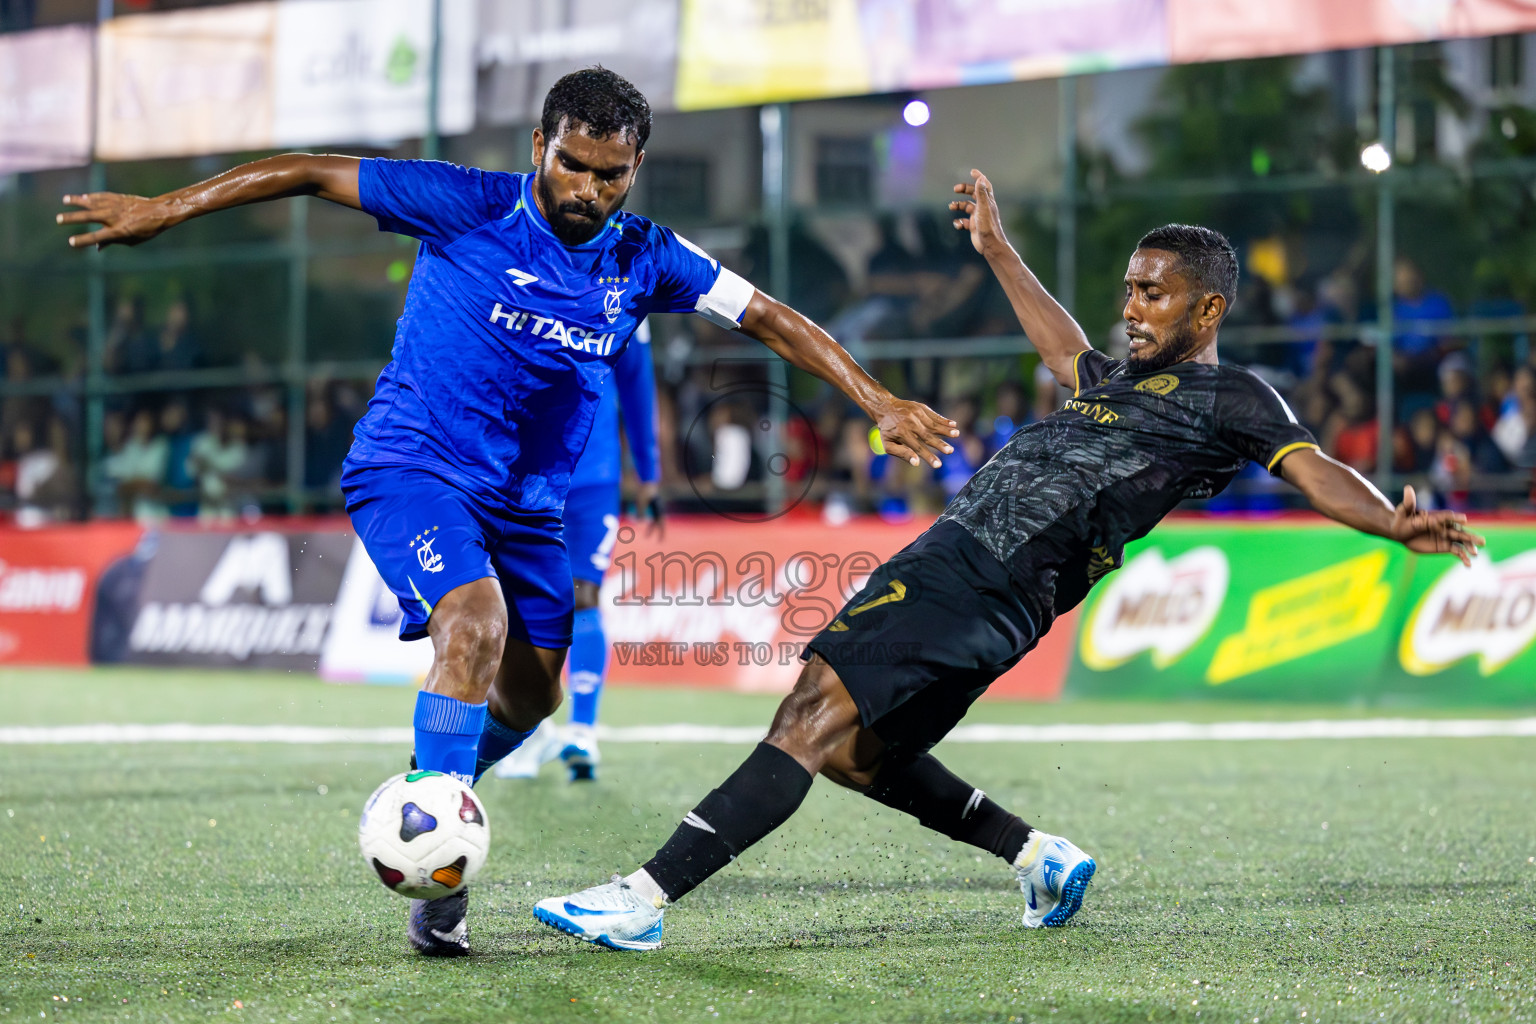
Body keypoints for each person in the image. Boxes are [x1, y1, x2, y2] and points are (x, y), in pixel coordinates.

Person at [59, 67, 956, 958]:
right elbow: (304, 168)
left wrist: (876, 399)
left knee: (532, 697)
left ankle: (435, 791)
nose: (589, 190)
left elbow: (766, 315)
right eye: (573, 165)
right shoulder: (463, 203)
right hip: (413, 468)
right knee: (472, 624)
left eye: (612, 175)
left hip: (531, 512)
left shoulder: (644, 255)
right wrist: (167, 209)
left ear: (634, 169)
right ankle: (440, 870)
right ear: (541, 146)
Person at [532, 170, 1485, 952]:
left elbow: (1313, 469)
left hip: (993, 568)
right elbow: (1060, 342)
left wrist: (1391, 525)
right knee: (864, 751)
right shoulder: (1114, 380)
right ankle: (1038, 857)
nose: (1133, 307)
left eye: (1154, 293)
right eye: (1129, 288)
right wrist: (996, 249)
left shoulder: (1233, 398)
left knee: (810, 712)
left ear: (1209, 307)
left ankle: (645, 898)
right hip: (979, 571)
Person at [494, 319, 662, 782]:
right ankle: (528, 732)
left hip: (594, 476)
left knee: (585, 594)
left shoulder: (627, 294)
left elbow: (636, 383)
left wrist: (648, 470)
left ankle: (582, 732)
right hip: (525, 473)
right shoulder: (525, 282)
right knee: (518, 606)